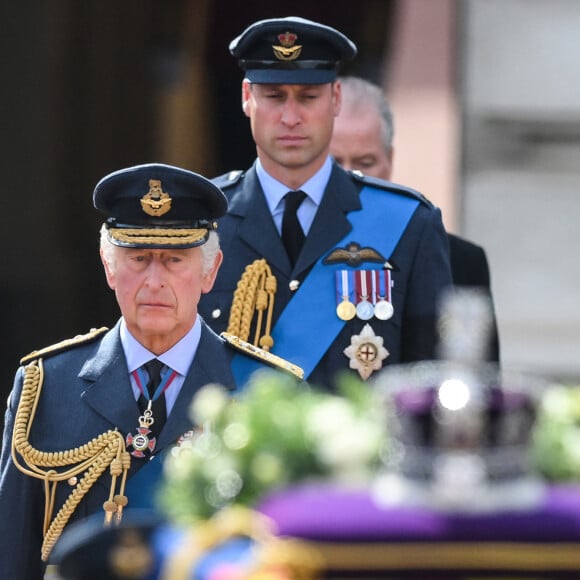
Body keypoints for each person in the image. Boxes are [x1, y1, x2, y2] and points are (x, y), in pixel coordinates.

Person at [0, 163, 301, 579]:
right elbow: (11, 553)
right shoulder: (47, 385)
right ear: (109, 267)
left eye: (175, 260)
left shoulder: (267, 391)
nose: (154, 280)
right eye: (138, 259)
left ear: (210, 271)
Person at [197, 16, 453, 389]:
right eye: (274, 96)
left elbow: (432, 378)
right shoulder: (201, 223)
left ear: (335, 99)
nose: (290, 117)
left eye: (307, 97)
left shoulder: (408, 224)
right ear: (246, 98)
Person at [330, 75, 500, 361]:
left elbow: (479, 384)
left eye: (365, 162)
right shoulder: (287, 247)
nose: (352, 177)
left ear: (390, 159)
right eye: (335, 163)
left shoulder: (461, 260)